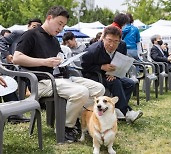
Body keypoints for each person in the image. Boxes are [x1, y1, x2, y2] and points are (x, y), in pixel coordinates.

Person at [13, 5, 105, 142]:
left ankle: (77, 119)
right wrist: (45, 62)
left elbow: (57, 59)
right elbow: (16, 58)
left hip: (57, 78)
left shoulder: (54, 40)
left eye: (64, 25)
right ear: (49, 18)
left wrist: (62, 62)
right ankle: (66, 126)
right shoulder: (31, 35)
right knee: (82, 92)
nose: (61, 28)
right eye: (59, 23)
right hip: (39, 82)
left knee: (99, 89)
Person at [81, 26, 143, 123]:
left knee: (130, 83)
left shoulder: (122, 46)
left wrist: (115, 73)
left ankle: (116, 110)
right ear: (103, 38)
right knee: (116, 82)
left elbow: (121, 61)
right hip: (95, 76)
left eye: (115, 41)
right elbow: (84, 67)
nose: (112, 44)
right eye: (109, 40)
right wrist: (101, 67)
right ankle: (127, 112)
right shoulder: (92, 50)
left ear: (119, 41)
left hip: (113, 74)